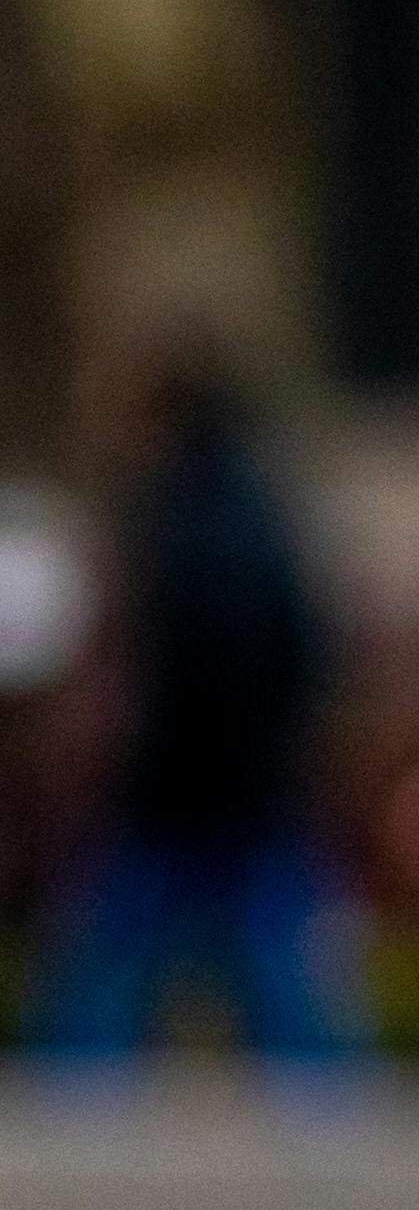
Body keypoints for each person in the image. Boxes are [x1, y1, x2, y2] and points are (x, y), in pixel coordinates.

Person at [26, 349, 360, 1064]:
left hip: (184, 786)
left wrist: (139, 754)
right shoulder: (260, 509)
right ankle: (331, 1100)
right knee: (279, 968)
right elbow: (305, 646)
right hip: (250, 781)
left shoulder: (178, 519)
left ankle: (72, 1102)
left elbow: (184, 665)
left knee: (115, 963)